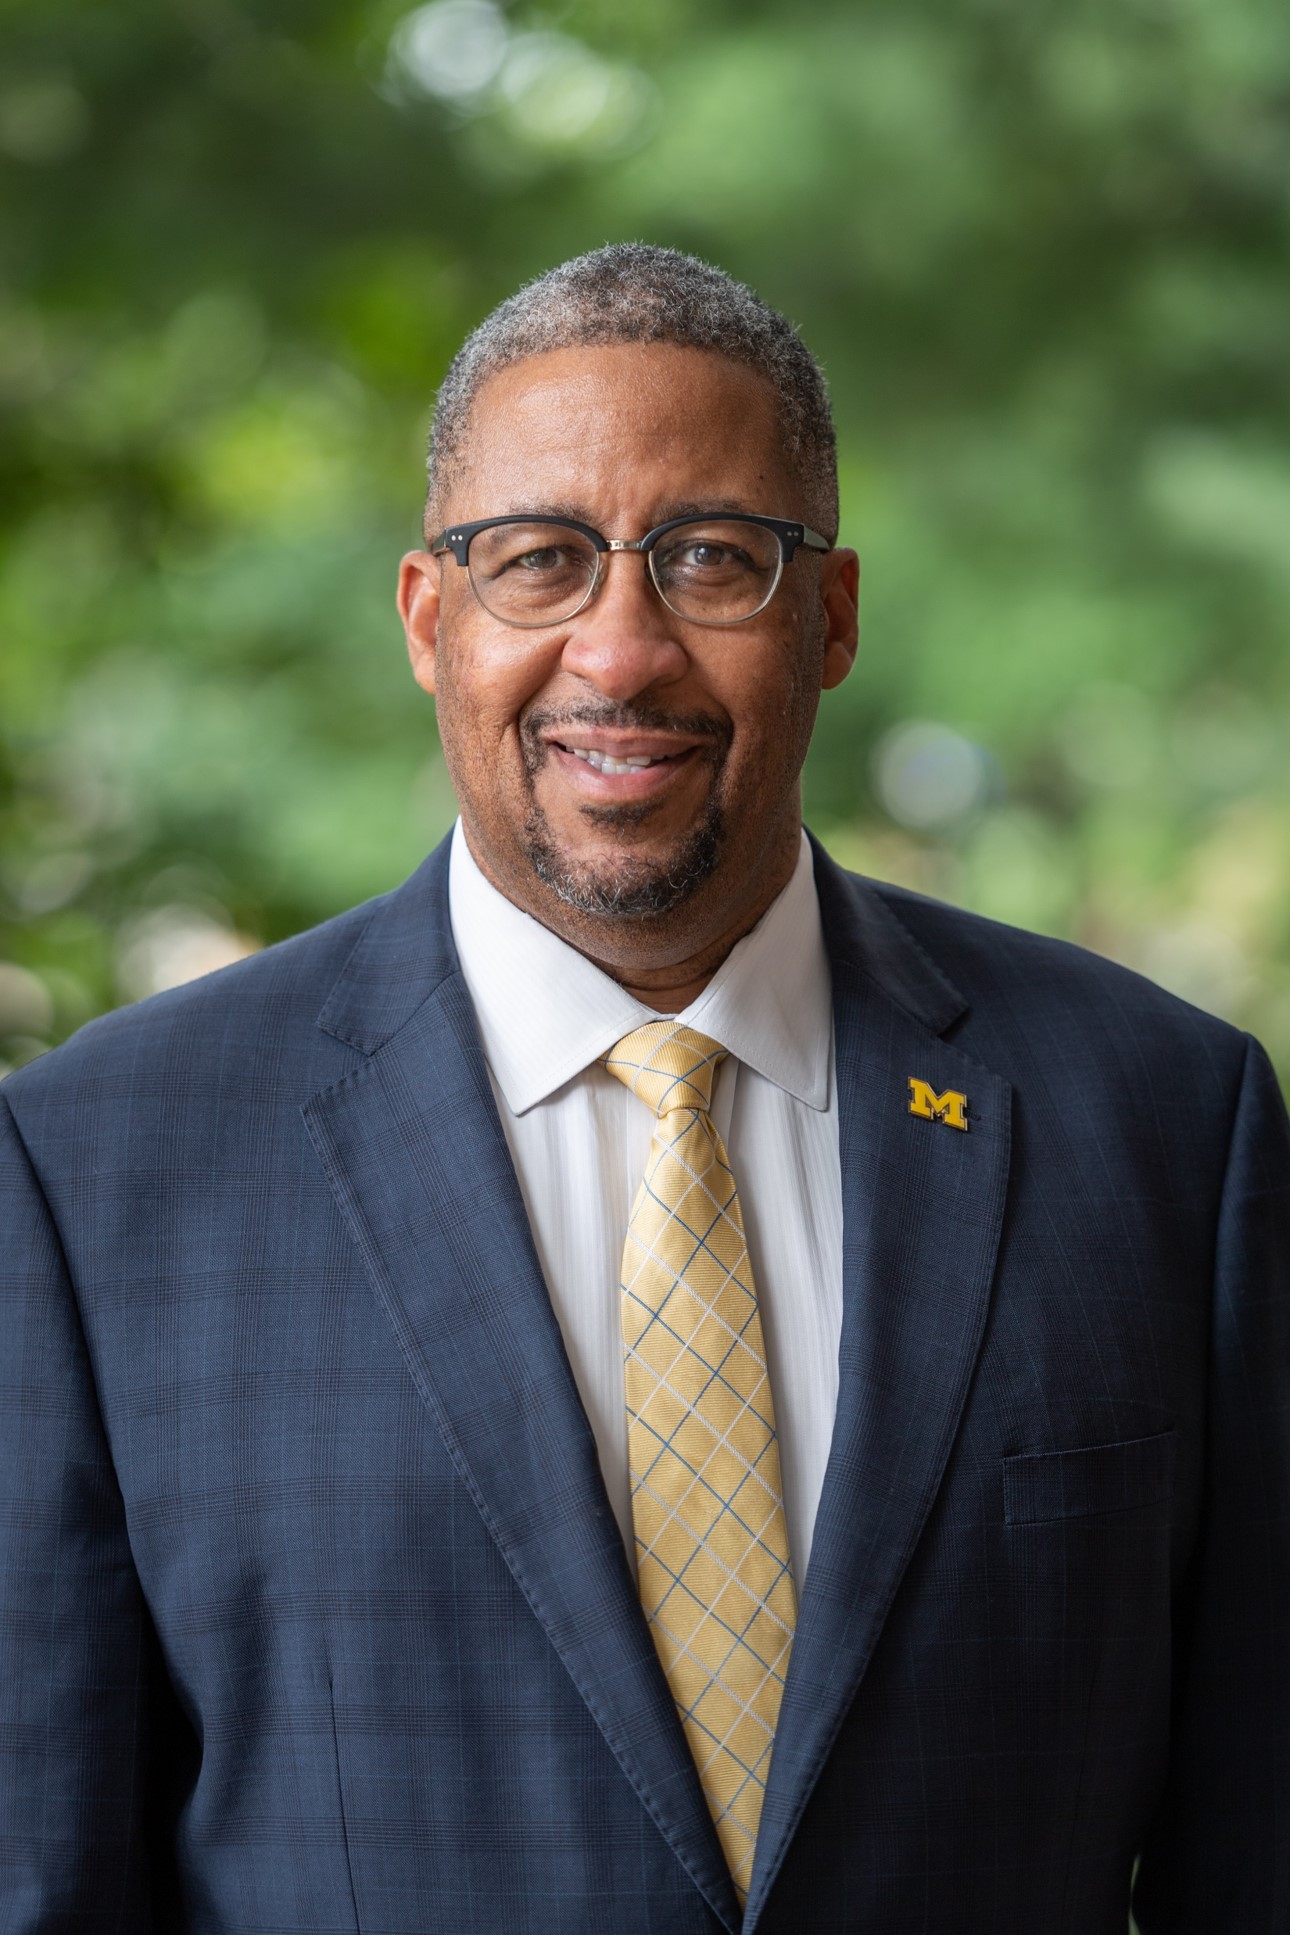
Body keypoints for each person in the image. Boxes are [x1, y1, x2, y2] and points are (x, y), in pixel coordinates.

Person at [1, 244, 1286, 1935]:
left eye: (711, 561)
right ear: (428, 619)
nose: (620, 652)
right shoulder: (99, 1170)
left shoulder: (1161, 1127)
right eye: (537, 562)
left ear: (825, 618)